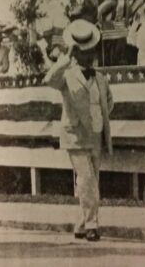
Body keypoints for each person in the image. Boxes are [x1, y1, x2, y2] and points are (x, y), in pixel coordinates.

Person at [44, 20, 113, 242]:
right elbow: (49, 79)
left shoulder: (100, 77)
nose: (88, 55)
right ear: (76, 53)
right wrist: (65, 58)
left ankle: (81, 224)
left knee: (90, 180)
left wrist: (98, 116)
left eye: (91, 51)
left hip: (96, 133)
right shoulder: (67, 74)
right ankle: (92, 224)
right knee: (86, 179)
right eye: (83, 52)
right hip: (75, 134)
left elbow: (109, 102)